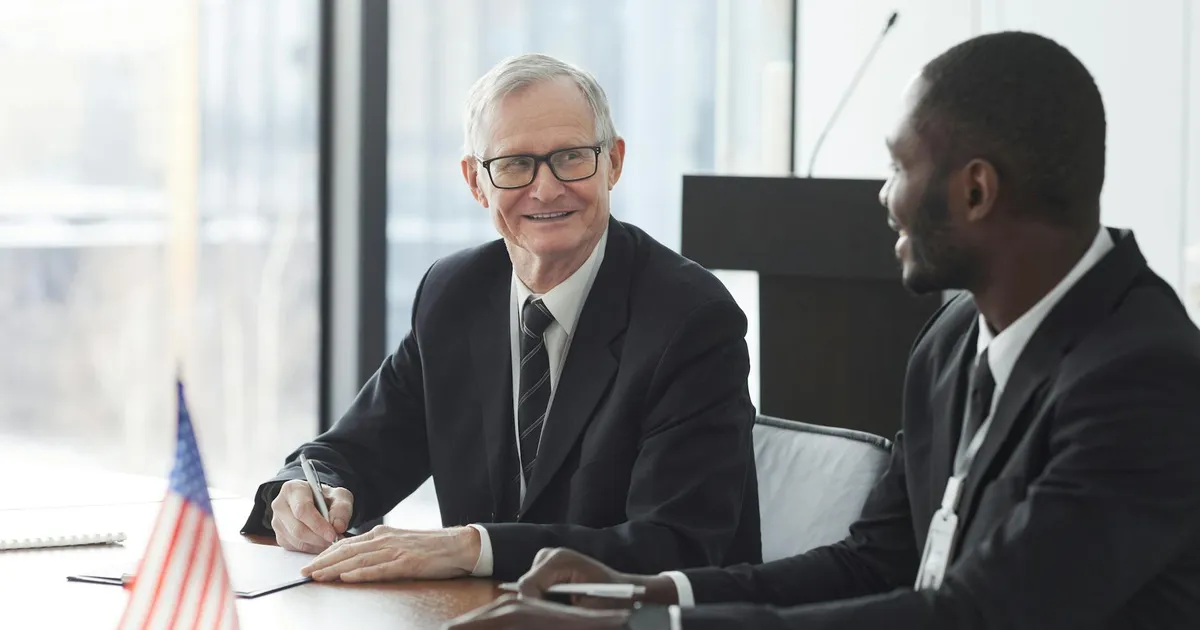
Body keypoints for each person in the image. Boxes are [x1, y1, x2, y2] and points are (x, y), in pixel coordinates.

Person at [444, 31, 1200, 629]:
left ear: (975, 191)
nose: (885, 196)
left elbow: (981, 614)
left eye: (898, 166)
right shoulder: (951, 341)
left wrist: (649, 628)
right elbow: (872, 564)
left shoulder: (1146, 378)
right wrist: (639, 593)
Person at [240, 53, 762, 584]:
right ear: (475, 181)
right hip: (478, 613)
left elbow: (675, 546)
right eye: (515, 164)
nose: (547, 188)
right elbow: (355, 452)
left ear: (614, 162)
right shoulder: (454, 293)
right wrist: (305, 490)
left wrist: (473, 547)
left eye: (571, 158)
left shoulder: (691, 320)